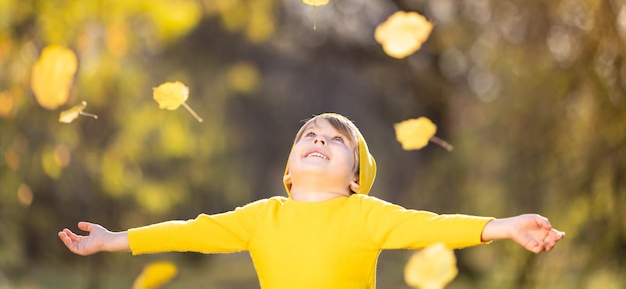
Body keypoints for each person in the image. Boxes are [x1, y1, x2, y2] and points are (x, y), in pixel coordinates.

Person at [58, 113, 564, 288]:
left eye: (336, 140)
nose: (319, 141)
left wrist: (503, 225)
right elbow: (191, 231)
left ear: (355, 179)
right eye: (309, 136)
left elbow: (431, 226)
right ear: (288, 171)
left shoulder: (365, 214)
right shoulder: (263, 218)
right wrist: (113, 241)